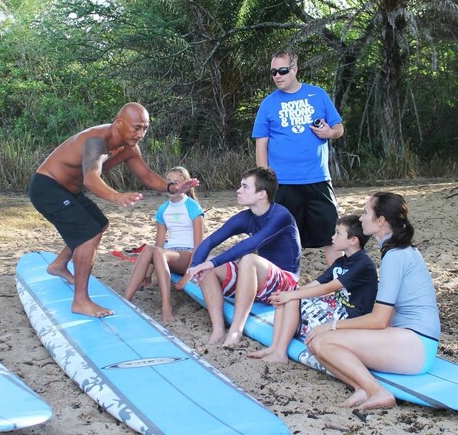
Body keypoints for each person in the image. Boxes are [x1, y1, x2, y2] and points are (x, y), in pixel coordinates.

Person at [29, 103, 199, 318]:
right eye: (136, 127)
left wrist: (173, 187)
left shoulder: (129, 148)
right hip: (48, 188)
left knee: (99, 224)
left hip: (68, 191)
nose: (141, 134)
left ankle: (59, 265)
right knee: (88, 234)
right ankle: (80, 301)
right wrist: (116, 196)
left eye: (145, 128)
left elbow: (146, 175)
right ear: (119, 122)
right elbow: (91, 179)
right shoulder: (96, 141)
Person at [305, 192, 441, 411]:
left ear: (381, 221)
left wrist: (332, 325)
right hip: (410, 340)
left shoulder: (396, 256)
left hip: (416, 345)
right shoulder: (399, 251)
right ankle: (361, 388)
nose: (360, 218)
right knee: (316, 343)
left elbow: (379, 320)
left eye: (366, 212)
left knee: (324, 341)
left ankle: (376, 391)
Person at [176, 167, 301, 346]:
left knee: (248, 259)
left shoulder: (280, 216)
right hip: (261, 282)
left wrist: (212, 263)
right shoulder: (246, 217)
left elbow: (251, 244)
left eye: (245, 187)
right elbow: (210, 241)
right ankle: (218, 329)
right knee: (206, 265)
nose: (238, 190)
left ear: (262, 194)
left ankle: (235, 331)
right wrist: (195, 265)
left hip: (286, 285)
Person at [253, 50, 344, 265]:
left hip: (318, 179)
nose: (277, 76)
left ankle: (340, 289)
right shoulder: (268, 103)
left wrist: (329, 133)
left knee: (332, 236)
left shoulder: (318, 94)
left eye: (282, 70)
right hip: (283, 183)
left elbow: (339, 128)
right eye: (273, 72)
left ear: (294, 69)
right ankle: (280, 289)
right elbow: (261, 144)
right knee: (280, 238)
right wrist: (264, 183)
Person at [248, 215, 378, 363]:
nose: (332, 237)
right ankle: (274, 346)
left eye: (338, 233)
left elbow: (327, 287)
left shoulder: (363, 264)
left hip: (350, 317)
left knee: (292, 300)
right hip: (336, 306)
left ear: (353, 240)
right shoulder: (341, 261)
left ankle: (280, 352)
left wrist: (292, 296)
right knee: (286, 299)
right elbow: (318, 282)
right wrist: (287, 294)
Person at [123, 166, 205, 323]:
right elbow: (158, 244)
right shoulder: (163, 210)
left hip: (187, 258)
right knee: (149, 249)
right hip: (168, 256)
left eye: (175, 181)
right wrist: (147, 273)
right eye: (168, 181)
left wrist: (188, 275)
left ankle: (166, 306)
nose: (171, 185)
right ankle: (126, 299)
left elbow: (199, 246)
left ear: (185, 185)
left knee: (159, 252)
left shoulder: (193, 207)